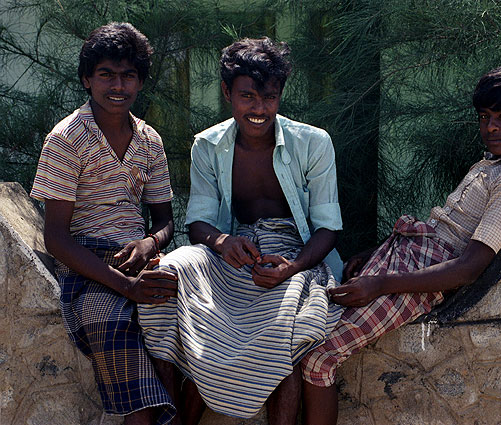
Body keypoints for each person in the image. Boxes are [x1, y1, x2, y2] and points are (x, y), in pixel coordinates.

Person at [298, 64, 501, 425]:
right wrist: (374, 256)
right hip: (409, 259)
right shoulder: (492, 165)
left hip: (421, 283)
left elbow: (469, 267)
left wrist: (379, 284)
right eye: (485, 116)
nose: (491, 127)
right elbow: (437, 229)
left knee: (319, 355)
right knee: (308, 325)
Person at [137, 37, 344, 425]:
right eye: (247, 96)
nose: (259, 109)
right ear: (227, 92)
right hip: (231, 253)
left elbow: (328, 229)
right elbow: (198, 222)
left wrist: (293, 266)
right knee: (169, 273)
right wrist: (222, 240)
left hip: (294, 255)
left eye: (269, 97)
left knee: (286, 323)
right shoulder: (208, 145)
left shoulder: (314, 142)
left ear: (280, 95)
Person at [30, 22, 178, 425]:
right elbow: (57, 239)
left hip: (139, 257)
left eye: (128, 75)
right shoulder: (66, 139)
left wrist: (149, 244)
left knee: (191, 318)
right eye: (106, 74)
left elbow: (165, 220)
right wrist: (125, 286)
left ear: (141, 82)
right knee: (108, 321)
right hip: (87, 268)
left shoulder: (150, 141)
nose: (118, 85)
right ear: (86, 80)